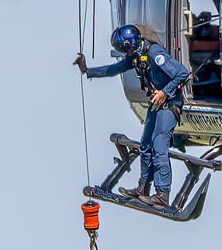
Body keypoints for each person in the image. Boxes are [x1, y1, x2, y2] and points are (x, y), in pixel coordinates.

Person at [74, 25, 189, 208]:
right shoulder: (137, 57)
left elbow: (182, 73)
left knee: (159, 146)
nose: (125, 53)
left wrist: (165, 93)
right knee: (145, 146)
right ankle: (143, 188)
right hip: (157, 103)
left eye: (125, 48)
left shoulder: (154, 53)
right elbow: (114, 69)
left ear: (132, 43)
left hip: (169, 104)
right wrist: (87, 71)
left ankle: (162, 194)